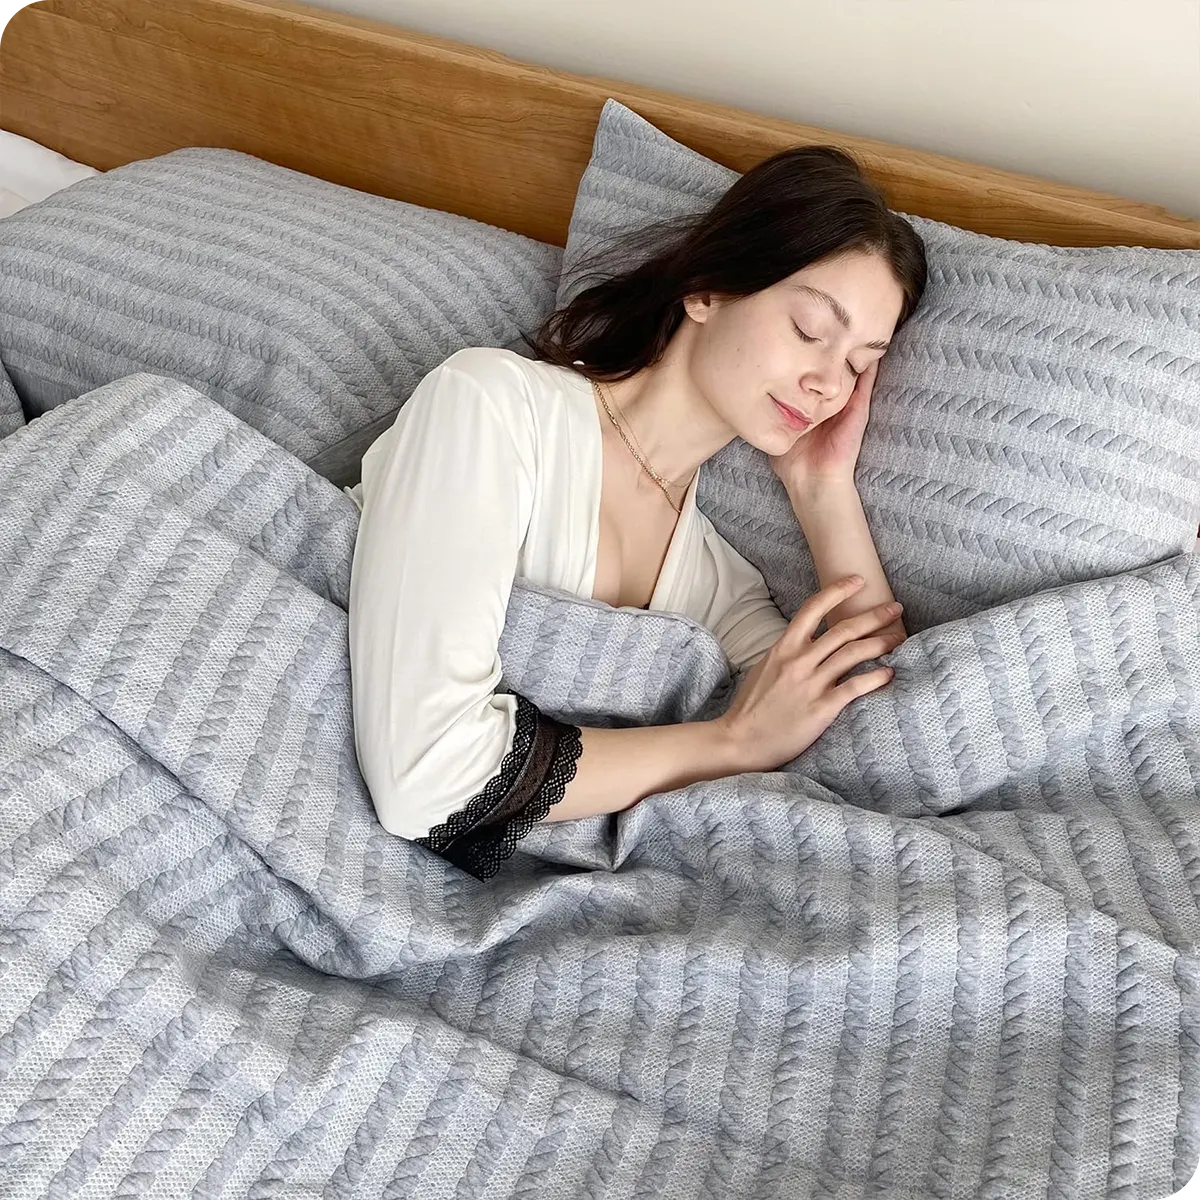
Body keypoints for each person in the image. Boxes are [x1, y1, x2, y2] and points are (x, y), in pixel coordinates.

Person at [347, 145, 928, 878]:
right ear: (708, 291)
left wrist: (823, 493)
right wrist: (729, 743)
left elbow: (884, 735)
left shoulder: (714, 584)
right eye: (811, 330)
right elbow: (421, 780)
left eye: (856, 364)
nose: (824, 384)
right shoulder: (494, 407)